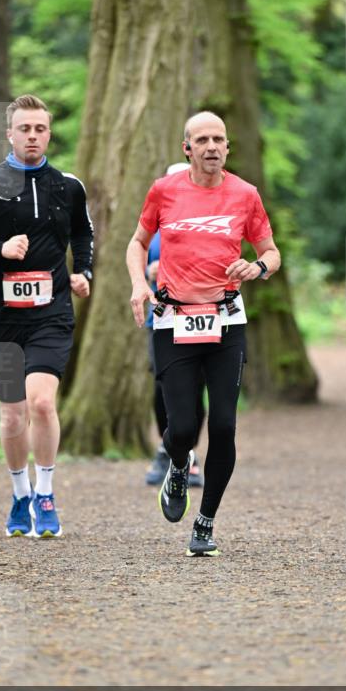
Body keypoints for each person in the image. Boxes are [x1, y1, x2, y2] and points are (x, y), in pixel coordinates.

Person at [126, 111, 281, 555]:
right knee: (182, 428)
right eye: (203, 140)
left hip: (226, 320)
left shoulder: (245, 195)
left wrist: (256, 267)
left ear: (228, 147)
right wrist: (140, 284)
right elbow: (137, 242)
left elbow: (270, 253)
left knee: (226, 425)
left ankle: (206, 523)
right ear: (187, 148)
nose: (212, 146)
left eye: (219, 139)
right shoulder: (164, 191)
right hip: (174, 319)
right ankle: (178, 465)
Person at [0, 94, 94, 536]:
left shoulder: (68, 186)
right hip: (4, 319)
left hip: (52, 314)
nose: (32, 136)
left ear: (49, 133)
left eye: (40, 129)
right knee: (13, 415)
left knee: (42, 402)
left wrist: (82, 271)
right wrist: (0, 249)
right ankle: (19, 496)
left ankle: (46, 492)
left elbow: (83, 234)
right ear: (10, 134)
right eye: (24, 129)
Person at [144, 173, 206, 488]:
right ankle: (165, 448)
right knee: (162, 385)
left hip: (199, 316)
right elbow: (137, 257)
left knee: (195, 387)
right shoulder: (154, 225)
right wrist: (148, 271)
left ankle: (190, 454)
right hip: (162, 319)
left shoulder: (207, 223)